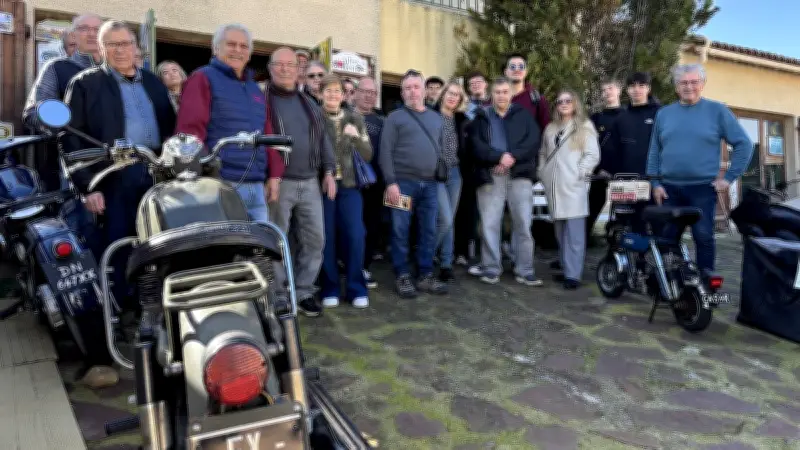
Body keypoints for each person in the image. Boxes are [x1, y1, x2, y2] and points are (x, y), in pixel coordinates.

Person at [62, 19, 176, 388]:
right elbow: (70, 139)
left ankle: (153, 313)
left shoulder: (154, 83)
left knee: (156, 246)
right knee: (115, 251)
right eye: (111, 44)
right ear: (100, 49)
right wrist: (87, 185)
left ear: (137, 47)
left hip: (154, 175)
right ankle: (116, 326)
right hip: (111, 179)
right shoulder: (86, 83)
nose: (120, 50)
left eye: (125, 43)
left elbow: (172, 130)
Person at [646, 64, 753, 273]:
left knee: (703, 237)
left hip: (702, 189)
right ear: (676, 87)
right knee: (667, 239)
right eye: (683, 83)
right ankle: (673, 283)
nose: (689, 87)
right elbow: (654, 151)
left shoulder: (717, 111)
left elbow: (744, 144)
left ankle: (705, 284)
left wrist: (729, 178)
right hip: (669, 189)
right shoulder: (664, 114)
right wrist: (655, 183)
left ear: (702, 84)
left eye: (694, 82)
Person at [175, 23, 284, 224]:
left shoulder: (254, 89)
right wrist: (201, 178)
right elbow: (190, 133)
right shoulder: (202, 78)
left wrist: (274, 175)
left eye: (243, 46)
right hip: (222, 184)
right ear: (216, 48)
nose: (237, 50)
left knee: (259, 244)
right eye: (231, 44)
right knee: (225, 243)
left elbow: (266, 134)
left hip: (256, 186)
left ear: (249, 54)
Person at [266, 47, 337, 317]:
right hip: (279, 181)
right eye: (279, 64)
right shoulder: (263, 100)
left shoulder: (309, 103)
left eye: (291, 65)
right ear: (271, 68)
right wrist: (269, 176)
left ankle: (304, 290)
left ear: (299, 71)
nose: (285, 69)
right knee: (277, 241)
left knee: (315, 239)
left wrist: (328, 171)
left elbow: (323, 139)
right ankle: (279, 294)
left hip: (310, 182)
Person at [379, 70, 448, 298]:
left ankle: (425, 275)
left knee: (428, 230)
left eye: (416, 87)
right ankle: (402, 275)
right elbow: (385, 152)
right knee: (400, 230)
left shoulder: (436, 119)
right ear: (402, 93)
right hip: (401, 184)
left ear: (424, 90)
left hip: (430, 185)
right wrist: (390, 182)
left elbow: (442, 149)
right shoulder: (394, 118)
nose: (412, 91)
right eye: (407, 88)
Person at [470, 77, 542, 286]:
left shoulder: (523, 115)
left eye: (505, 92)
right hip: (490, 175)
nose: (501, 95)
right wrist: (498, 157)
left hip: (519, 175)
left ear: (511, 94)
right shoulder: (482, 117)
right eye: (497, 92)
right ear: (491, 94)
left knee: (523, 223)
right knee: (489, 223)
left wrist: (512, 157)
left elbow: (533, 141)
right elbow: (476, 145)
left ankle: (525, 269)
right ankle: (491, 268)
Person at [318, 74, 373, 309]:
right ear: (320, 94)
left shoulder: (355, 119)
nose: (333, 95)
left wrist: (356, 138)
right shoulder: (314, 118)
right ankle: (329, 287)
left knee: (356, 235)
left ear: (343, 95)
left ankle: (356, 287)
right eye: (328, 90)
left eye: (337, 91)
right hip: (322, 186)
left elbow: (368, 154)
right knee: (326, 237)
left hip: (349, 187)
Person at [539, 89, 600, 290]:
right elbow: (543, 152)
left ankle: (573, 275)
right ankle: (566, 269)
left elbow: (592, 154)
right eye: (559, 101)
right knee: (560, 232)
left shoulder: (584, 126)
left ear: (575, 104)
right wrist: (542, 172)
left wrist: (580, 172)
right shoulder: (550, 128)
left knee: (574, 234)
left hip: (573, 186)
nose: (563, 104)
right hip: (554, 186)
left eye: (568, 101)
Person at [433, 80, 469, 282]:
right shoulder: (431, 115)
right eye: (450, 93)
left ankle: (446, 263)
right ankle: (427, 254)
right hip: (436, 173)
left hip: (455, 173)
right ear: (443, 94)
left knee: (450, 220)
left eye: (457, 95)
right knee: (445, 219)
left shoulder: (461, 119)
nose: (453, 97)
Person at [353, 76, 385, 287]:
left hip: (375, 184)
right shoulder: (345, 117)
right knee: (352, 228)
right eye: (365, 91)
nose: (369, 96)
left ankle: (363, 267)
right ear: (356, 93)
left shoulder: (382, 122)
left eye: (373, 93)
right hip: (350, 184)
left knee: (371, 227)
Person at [586, 78, 624, 240]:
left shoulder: (627, 116)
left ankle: (620, 242)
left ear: (619, 90)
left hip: (623, 171)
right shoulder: (596, 118)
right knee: (592, 207)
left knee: (623, 212)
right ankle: (584, 241)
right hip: (600, 171)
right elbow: (589, 145)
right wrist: (598, 168)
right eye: (604, 90)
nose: (607, 92)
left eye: (610, 88)